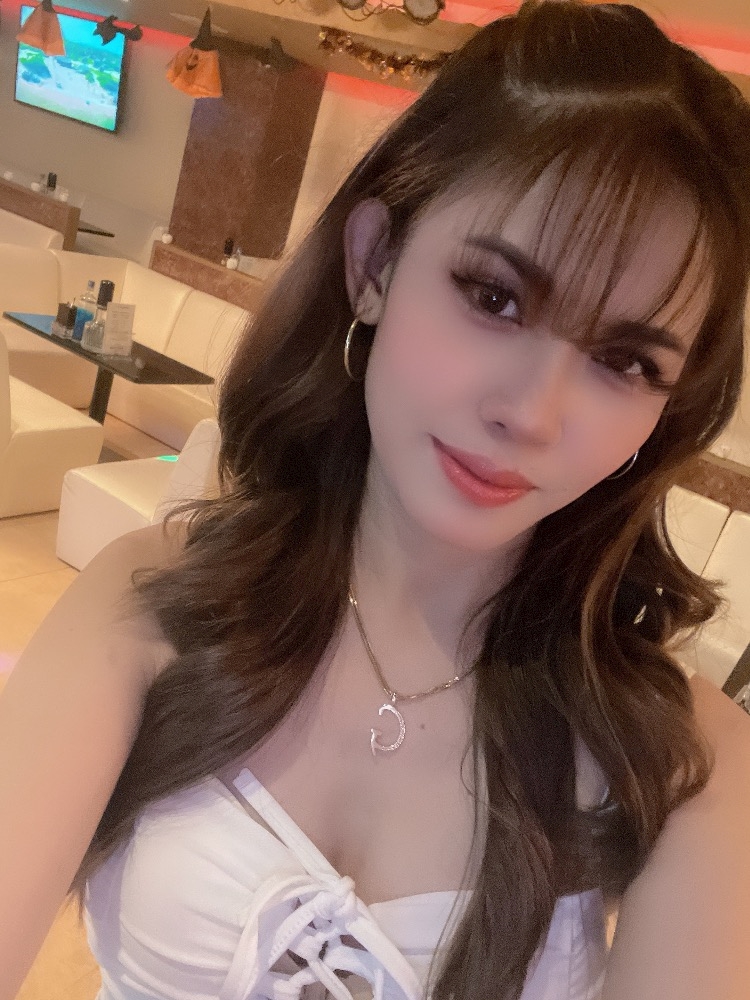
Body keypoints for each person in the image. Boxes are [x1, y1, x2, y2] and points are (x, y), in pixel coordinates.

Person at [2, 2, 750, 998]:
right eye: (495, 297)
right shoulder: (153, 605)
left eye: (625, 361)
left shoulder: (687, 763)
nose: (532, 414)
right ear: (374, 265)